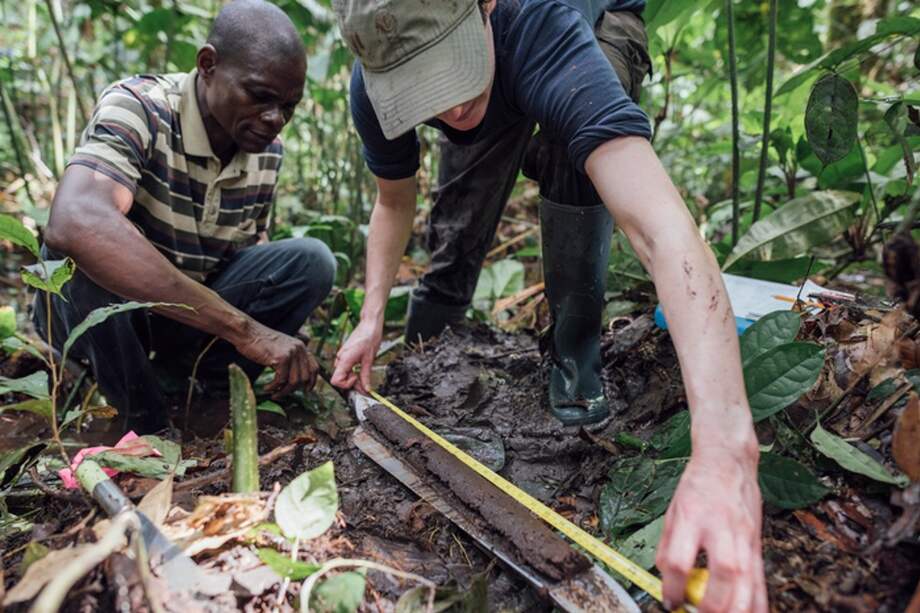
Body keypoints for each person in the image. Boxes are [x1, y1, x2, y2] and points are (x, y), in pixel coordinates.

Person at [329, 0, 767, 610]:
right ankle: (425, 357)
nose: (450, 106)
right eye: (420, 84)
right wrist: (373, 316)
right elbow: (394, 201)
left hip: (595, 22)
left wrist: (725, 448)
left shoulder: (537, 22)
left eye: (447, 68)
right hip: (498, 61)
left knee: (577, 149)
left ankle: (575, 351)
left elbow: (659, 228)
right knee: (457, 217)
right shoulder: (374, 76)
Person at [34, 0, 335, 434]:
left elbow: (250, 252)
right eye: (260, 96)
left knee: (311, 261)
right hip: (107, 325)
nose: (275, 120)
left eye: (289, 106)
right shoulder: (140, 106)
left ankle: (203, 394)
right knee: (84, 251)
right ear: (208, 64)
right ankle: (142, 422)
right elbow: (75, 219)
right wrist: (248, 331)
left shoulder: (267, 151)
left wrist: (282, 336)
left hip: (183, 320)